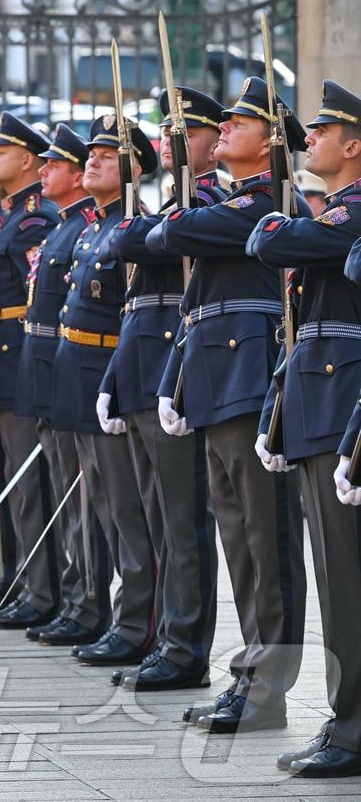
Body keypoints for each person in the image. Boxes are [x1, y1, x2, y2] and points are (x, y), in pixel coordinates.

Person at [149, 76, 309, 734]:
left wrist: (182, 214)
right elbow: (169, 246)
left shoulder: (270, 204)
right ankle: (248, 674)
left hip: (252, 375)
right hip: (216, 379)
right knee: (239, 540)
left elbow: (176, 233)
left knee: (267, 543)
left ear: (269, 142)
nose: (223, 134)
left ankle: (269, 687)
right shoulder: (228, 202)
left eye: (239, 126)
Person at [102, 87, 228, 690]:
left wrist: (157, 231)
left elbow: (155, 241)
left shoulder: (211, 202)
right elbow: (122, 245)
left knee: (184, 520)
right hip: (144, 369)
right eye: (168, 131)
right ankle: (163, 635)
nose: (174, 142)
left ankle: (185, 647)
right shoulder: (166, 205)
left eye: (189, 133)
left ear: (211, 146)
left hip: (180, 374)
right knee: (154, 517)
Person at [261, 80, 361, 778]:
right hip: (318, 404)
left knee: (347, 580)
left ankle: (352, 728)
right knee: (337, 577)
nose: (310, 143)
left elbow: (273, 240)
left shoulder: (351, 213)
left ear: (353, 146)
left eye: (322, 135)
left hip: (341, 406)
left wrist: (275, 219)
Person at [51, 115, 159, 667]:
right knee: (102, 504)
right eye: (89, 153)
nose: (91, 160)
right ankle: (123, 616)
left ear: (136, 167)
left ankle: (139, 622)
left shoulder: (137, 225)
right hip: (78, 370)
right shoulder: (96, 225)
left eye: (106, 154)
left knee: (126, 508)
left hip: (110, 373)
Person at [12, 124, 110, 646]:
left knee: (86, 502)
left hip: (70, 377)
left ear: (75, 177)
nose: (43, 172)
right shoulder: (66, 228)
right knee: (73, 502)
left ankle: (90, 604)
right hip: (49, 375)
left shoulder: (74, 228)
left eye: (53, 165)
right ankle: (76, 598)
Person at [0, 112, 60, 626]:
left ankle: (41, 590)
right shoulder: (7, 217)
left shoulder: (36, 218)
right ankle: (11, 578)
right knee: (9, 477)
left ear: (26, 159)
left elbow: (36, 298)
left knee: (30, 484)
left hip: (19, 360)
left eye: (0, 151)